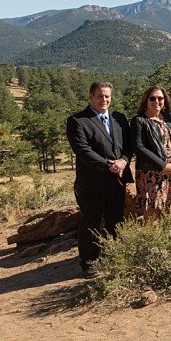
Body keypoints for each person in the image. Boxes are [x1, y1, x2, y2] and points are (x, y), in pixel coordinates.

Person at [66, 81, 133, 278]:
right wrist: (109, 165)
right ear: (90, 96)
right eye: (100, 96)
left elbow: (128, 145)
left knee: (116, 220)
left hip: (117, 181)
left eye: (107, 96)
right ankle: (89, 262)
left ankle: (115, 256)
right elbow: (83, 150)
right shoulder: (78, 120)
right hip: (92, 182)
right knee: (91, 222)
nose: (104, 100)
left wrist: (123, 160)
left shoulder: (119, 118)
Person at [130, 85, 171, 220]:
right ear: (146, 101)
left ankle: (170, 241)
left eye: (160, 98)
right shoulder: (139, 121)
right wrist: (162, 166)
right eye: (152, 98)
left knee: (170, 211)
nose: (156, 101)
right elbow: (138, 147)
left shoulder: (169, 119)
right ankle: (154, 241)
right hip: (150, 174)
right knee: (153, 213)